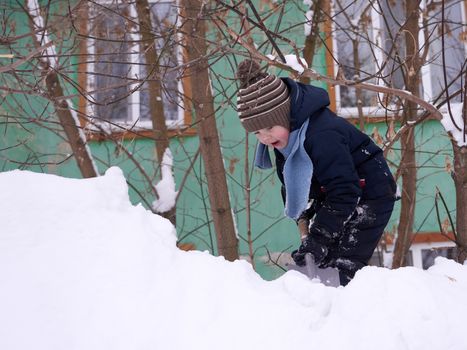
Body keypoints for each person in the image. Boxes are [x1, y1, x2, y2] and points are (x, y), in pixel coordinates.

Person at [236, 59, 397, 286]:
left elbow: (345, 190)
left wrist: (319, 236)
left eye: (269, 128)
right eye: (256, 133)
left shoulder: (321, 135)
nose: (264, 138)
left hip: (369, 192)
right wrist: (306, 219)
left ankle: (346, 308)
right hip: (333, 193)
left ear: (285, 116)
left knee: (343, 261)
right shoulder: (284, 139)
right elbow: (290, 182)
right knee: (320, 258)